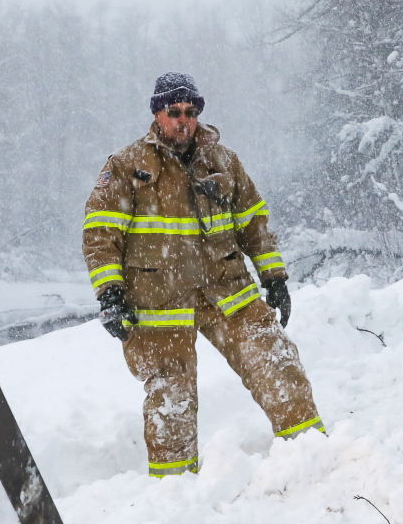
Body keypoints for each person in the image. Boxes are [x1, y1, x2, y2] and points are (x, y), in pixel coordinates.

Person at [83, 73, 323, 476]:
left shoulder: (223, 161)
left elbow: (253, 222)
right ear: (157, 114)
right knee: (170, 400)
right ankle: (174, 488)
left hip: (227, 290)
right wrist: (109, 293)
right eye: (173, 112)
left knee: (276, 362)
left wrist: (274, 277)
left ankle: (314, 454)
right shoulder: (126, 166)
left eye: (190, 113)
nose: (183, 121)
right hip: (160, 301)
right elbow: (100, 233)